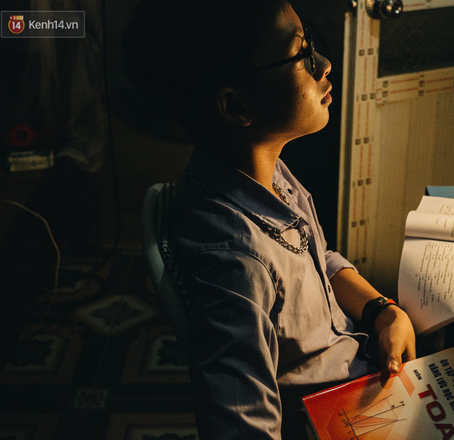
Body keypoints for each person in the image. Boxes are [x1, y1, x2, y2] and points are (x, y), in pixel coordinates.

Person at [123, 1, 416, 438]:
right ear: (235, 105)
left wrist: (382, 311)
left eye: (311, 44)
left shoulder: (257, 171)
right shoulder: (236, 263)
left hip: (362, 365)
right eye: (300, 55)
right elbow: (242, 427)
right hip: (332, 419)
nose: (324, 64)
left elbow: (318, 260)